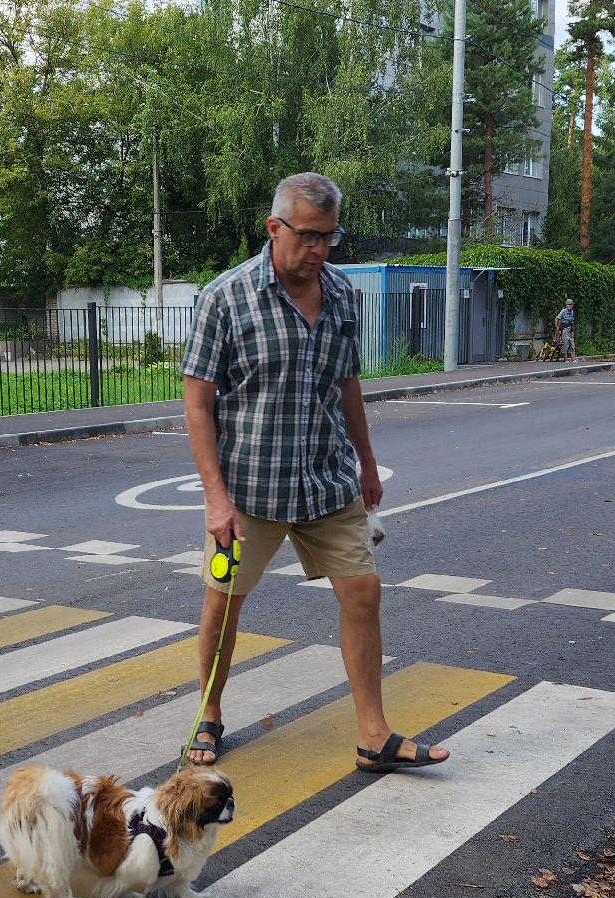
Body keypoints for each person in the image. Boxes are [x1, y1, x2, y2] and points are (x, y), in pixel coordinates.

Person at [177, 172, 449, 774]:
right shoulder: (226, 297)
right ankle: (210, 713)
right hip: (250, 485)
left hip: (326, 478)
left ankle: (372, 734)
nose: (320, 250)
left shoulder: (343, 294)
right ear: (274, 227)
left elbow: (347, 384)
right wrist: (214, 498)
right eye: (308, 237)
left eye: (329, 237)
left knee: (363, 590)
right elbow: (198, 403)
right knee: (224, 602)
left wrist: (367, 463)